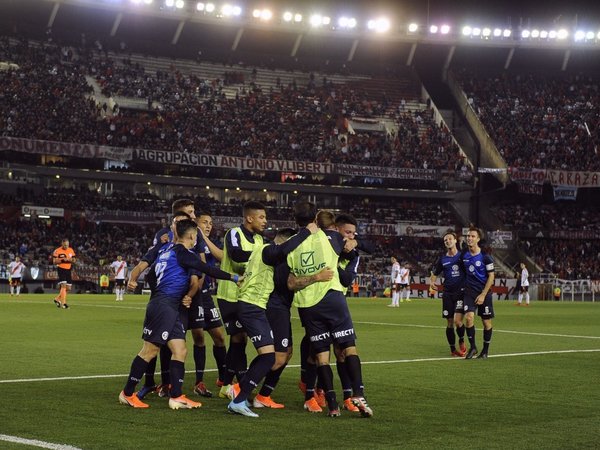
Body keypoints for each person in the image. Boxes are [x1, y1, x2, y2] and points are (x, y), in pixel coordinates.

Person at [118, 219, 241, 409]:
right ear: (192, 236)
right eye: (195, 237)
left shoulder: (164, 250)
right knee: (150, 350)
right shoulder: (184, 252)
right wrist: (233, 277)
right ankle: (127, 393)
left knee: (180, 350)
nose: (195, 241)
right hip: (164, 305)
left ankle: (176, 396)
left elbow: (149, 274)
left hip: (169, 306)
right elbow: (207, 269)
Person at [287, 201, 373, 418]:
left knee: (321, 356)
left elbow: (286, 279)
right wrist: (352, 244)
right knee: (348, 349)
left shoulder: (291, 244)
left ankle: (332, 404)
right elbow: (362, 249)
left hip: (307, 305)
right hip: (332, 300)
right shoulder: (331, 239)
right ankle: (357, 393)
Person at [225, 223, 318, 417]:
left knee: (270, 356)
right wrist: (307, 232)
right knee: (272, 357)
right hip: (253, 306)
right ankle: (239, 393)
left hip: (256, 306)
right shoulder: (268, 251)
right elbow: (285, 255)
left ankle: (241, 397)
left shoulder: (264, 253)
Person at [216, 201, 267, 399]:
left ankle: (227, 383)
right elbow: (236, 256)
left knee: (240, 340)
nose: (265, 221)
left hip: (248, 296)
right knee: (239, 338)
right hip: (230, 294)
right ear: (249, 218)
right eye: (261, 217)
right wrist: (261, 255)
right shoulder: (234, 233)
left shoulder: (260, 240)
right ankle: (238, 382)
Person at [188, 210, 228, 398]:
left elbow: (221, 257)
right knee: (199, 337)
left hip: (205, 296)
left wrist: (205, 239)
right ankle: (199, 381)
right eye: (205, 222)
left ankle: (223, 377)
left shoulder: (210, 243)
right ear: (195, 223)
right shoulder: (189, 241)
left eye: (211, 223)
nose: (209, 225)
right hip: (191, 294)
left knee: (219, 336)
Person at [429, 232, 467, 357]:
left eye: (450, 239)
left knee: (458, 321)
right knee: (449, 322)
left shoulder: (463, 256)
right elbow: (434, 273)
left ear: (455, 240)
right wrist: (432, 283)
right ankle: (452, 350)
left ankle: (461, 339)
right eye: (445, 240)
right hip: (447, 294)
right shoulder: (442, 259)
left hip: (461, 292)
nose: (447, 241)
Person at [462, 226, 495, 359]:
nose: (469, 238)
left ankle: (485, 351)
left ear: (478, 239)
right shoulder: (464, 254)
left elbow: (491, 277)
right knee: (469, 318)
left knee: (486, 322)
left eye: (472, 236)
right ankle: (473, 347)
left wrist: (483, 294)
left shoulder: (486, 257)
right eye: (468, 236)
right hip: (469, 291)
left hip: (484, 293)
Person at [52, 238, 76, 309]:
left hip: (68, 269)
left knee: (68, 288)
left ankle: (57, 299)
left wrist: (70, 260)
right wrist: (62, 260)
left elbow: (74, 260)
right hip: (61, 269)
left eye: (67, 245)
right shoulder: (57, 251)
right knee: (63, 286)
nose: (66, 246)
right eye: (65, 245)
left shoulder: (71, 250)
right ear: (62, 244)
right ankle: (64, 303)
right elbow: (54, 261)